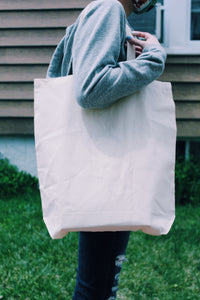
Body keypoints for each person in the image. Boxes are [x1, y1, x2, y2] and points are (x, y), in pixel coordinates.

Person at [47, 0, 166, 299]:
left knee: (99, 282)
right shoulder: (109, 9)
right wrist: (152, 60)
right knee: (96, 286)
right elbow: (90, 89)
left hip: (101, 164)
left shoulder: (108, 13)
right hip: (106, 169)